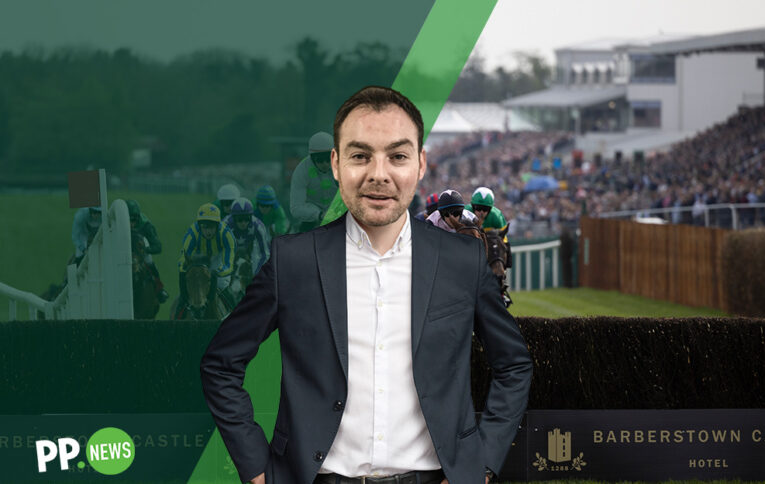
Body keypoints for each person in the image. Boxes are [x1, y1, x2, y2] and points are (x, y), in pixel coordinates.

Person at [200, 86, 531, 484]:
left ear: (420, 164)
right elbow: (220, 365)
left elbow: (514, 365)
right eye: (360, 156)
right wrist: (255, 466)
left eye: (397, 156)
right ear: (336, 164)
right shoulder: (292, 261)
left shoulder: (464, 260)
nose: (378, 174)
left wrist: (482, 465)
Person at [176, 203, 236, 316]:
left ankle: (237, 315)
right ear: (199, 226)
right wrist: (184, 270)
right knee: (189, 281)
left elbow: (229, 265)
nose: (208, 231)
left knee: (223, 285)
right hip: (199, 257)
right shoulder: (192, 234)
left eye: (212, 227)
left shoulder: (227, 234)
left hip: (218, 256)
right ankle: (177, 315)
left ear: (217, 226)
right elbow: (183, 259)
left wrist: (217, 272)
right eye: (205, 227)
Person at [290, 131, 338, 231]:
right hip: (312, 215)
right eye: (320, 160)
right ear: (312, 158)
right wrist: (319, 215)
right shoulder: (301, 171)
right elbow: (296, 208)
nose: (325, 164)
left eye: (328, 159)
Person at [126, 199, 169, 303]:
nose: (131, 225)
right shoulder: (117, 223)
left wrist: (145, 250)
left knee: (150, 264)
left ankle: (159, 290)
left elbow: (158, 247)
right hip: (123, 251)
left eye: (133, 221)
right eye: (128, 221)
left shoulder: (146, 226)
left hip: (141, 253)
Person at [223, 197, 271, 276]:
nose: (243, 223)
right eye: (239, 219)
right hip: (230, 248)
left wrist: (257, 274)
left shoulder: (258, 226)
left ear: (251, 217)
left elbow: (264, 254)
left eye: (247, 219)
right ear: (233, 218)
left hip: (251, 247)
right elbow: (220, 251)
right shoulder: (225, 226)